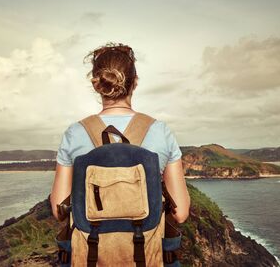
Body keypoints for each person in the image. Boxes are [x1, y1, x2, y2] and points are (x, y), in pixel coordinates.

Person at [50, 42, 190, 224]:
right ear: (135, 82)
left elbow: (59, 210)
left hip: (91, 249)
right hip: (146, 249)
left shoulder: (75, 133)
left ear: (97, 85)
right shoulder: (160, 131)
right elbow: (180, 214)